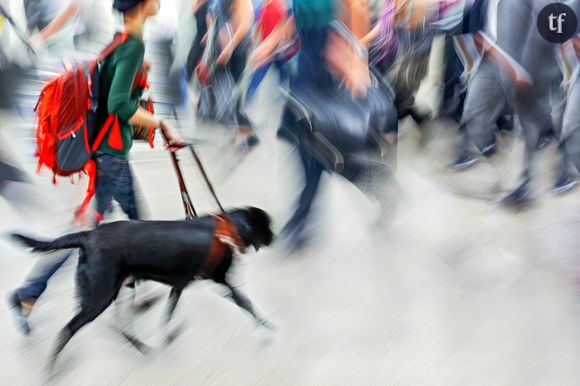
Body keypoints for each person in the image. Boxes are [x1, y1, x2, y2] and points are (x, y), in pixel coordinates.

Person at [7, 0, 185, 335]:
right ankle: (29, 292)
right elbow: (118, 106)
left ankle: (134, 284)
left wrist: (138, 81)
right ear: (142, 6)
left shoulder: (120, 42)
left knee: (134, 221)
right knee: (92, 235)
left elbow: (109, 99)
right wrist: (161, 124)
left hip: (109, 155)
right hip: (111, 158)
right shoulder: (130, 46)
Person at [244, 0, 290, 106]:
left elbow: (281, 26)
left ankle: (249, 95)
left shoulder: (271, 6)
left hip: (272, 47)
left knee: (281, 71)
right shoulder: (272, 6)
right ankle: (249, 95)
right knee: (280, 71)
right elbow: (263, 24)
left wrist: (254, 37)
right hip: (272, 48)